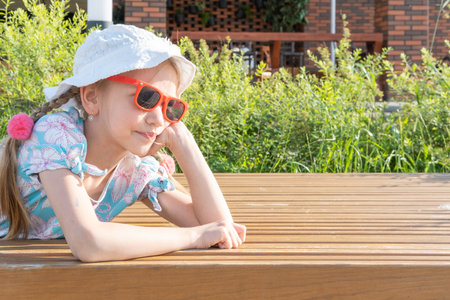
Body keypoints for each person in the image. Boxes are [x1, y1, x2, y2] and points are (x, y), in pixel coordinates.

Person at [0, 24, 246, 262]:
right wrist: (193, 237)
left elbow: (220, 230)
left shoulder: (137, 169)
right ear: (92, 97)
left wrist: (184, 143)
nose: (159, 119)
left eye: (171, 106)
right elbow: (88, 242)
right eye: (146, 97)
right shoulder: (57, 138)